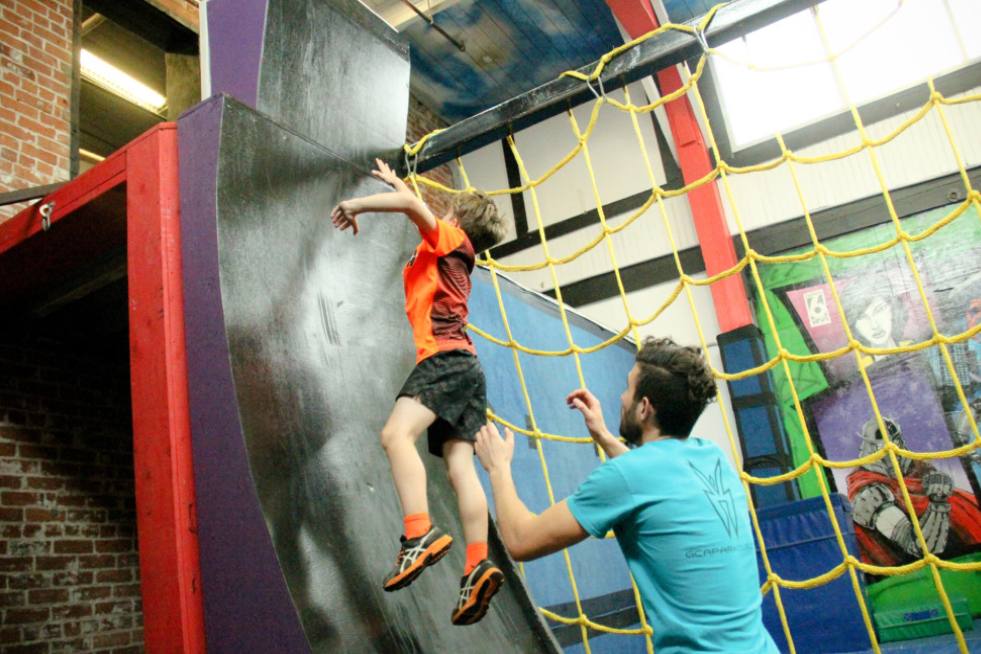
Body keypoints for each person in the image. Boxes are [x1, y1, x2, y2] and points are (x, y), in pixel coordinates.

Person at [474, 337, 778, 653]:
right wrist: (605, 436)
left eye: (628, 389)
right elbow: (653, 481)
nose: (621, 398)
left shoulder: (629, 476)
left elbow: (520, 540)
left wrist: (498, 467)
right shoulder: (713, 459)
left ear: (644, 408)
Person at [331, 160, 507, 625]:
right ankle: (476, 564)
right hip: (468, 367)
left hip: (444, 359)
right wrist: (396, 182)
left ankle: (418, 535)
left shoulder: (450, 239)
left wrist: (358, 204)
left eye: (445, 211)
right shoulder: (455, 250)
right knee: (459, 467)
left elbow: (413, 207)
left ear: (454, 219)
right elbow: (413, 200)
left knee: (395, 436)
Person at [847, 416, 981, 566]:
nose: (894, 451)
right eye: (882, 446)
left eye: (896, 442)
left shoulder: (918, 469)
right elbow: (920, 548)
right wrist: (938, 503)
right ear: (869, 448)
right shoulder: (869, 493)